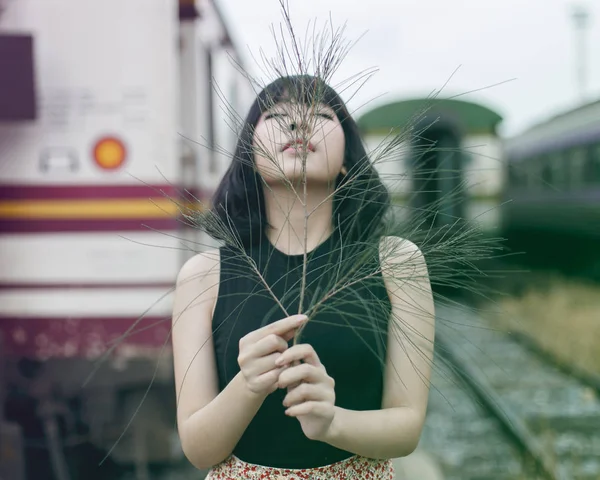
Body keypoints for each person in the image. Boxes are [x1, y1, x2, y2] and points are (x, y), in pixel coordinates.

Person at [171, 75, 435, 480]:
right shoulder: (203, 275)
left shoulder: (396, 262)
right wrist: (248, 385)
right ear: (250, 155)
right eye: (277, 115)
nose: (298, 125)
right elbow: (199, 448)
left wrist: (332, 422)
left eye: (322, 115)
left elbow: (406, 428)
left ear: (348, 156)